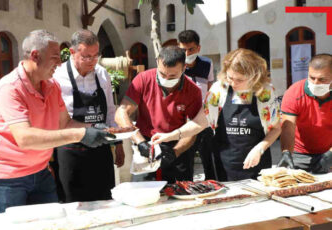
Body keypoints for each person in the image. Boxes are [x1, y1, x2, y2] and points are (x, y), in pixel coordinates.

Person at [0, 30, 114, 213]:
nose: (60, 63)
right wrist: (82, 134)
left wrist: (96, 128)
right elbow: (25, 138)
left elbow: (65, 123)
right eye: (55, 57)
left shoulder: (51, 86)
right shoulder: (10, 88)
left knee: (52, 222)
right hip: (8, 178)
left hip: (40, 172)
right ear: (35, 56)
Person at [152, 48, 281, 182]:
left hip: (256, 163)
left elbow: (276, 129)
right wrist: (170, 136)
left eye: (240, 80)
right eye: (230, 77)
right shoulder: (219, 89)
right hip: (223, 165)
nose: (233, 83)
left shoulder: (265, 92)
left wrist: (260, 148)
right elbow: (199, 122)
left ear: (254, 76)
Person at [53, 30, 124, 202]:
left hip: (100, 149)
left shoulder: (101, 73)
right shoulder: (57, 75)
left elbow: (109, 109)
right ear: (72, 52)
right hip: (70, 150)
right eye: (86, 56)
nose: (92, 61)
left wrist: (118, 143)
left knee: (105, 201)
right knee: (72, 204)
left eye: (95, 55)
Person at [115, 46, 203, 183]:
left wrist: (176, 152)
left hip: (177, 146)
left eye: (172, 76)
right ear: (157, 62)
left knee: (180, 197)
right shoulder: (143, 79)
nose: (166, 79)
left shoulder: (193, 91)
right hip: (146, 144)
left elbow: (194, 128)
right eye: (162, 74)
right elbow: (121, 112)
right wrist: (140, 142)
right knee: (143, 196)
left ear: (184, 68)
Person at [279, 54, 332, 173]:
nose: (316, 83)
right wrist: (286, 152)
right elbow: (288, 126)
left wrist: (330, 154)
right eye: (312, 77)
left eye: (322, 79)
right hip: (300, 154)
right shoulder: (294, 92)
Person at [178, 30, 216, 179]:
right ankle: (186, 186)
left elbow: (211, 87)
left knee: (209, 156)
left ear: (198, 48)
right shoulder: (177, 66)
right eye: (183, 50)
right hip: (185, 119)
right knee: (186, 158)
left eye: (191, 49)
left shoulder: (207, 64)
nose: (187, 53)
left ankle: (212, 184)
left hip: (204, 117)